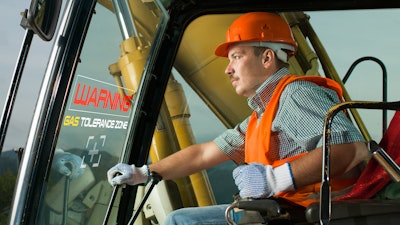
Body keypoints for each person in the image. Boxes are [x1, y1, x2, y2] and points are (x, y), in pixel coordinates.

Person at [107, 12, 369, 224]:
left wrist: (273, 179)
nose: (227, 68)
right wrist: (144, 172)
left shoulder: (296, 94)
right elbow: (204, 154)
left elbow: (349, 149)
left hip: (311, 215)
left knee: (182, 222)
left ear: (267, 57)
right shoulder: (263, 113)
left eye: (236, 57)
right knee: (181, 218)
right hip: (282, 211)